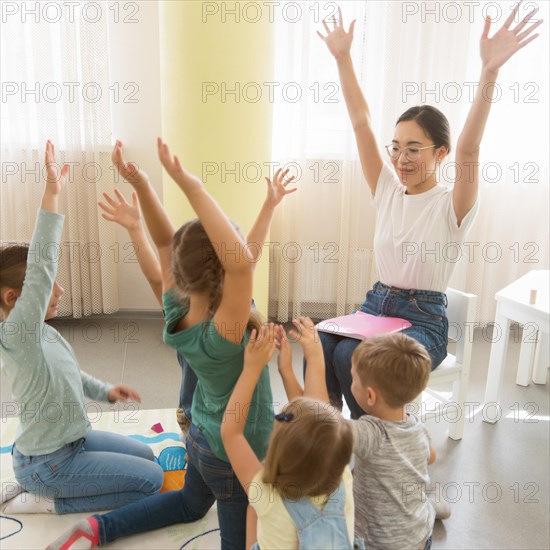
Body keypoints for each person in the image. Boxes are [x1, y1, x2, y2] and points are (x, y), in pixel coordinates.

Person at [47, 138, 296, 550]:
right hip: (232, 454)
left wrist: (143, 189)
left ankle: (100, 528)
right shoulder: (227, 331)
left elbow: (168, 245)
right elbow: (240, 261)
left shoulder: (179, 310)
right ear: (226, 268)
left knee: (188, 503)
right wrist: (187, 183)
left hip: (199, 436)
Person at [313, 2, 543, 418]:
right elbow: (362, 123)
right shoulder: (387, 189)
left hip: (424, 323)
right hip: (376, 306)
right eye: (397, 148)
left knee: (351, 356)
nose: (402, 159)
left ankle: (377, 444)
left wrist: (489, 72)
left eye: (414, 149)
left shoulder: (452, 204)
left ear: (440, 153)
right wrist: (344, 59)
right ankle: (329, 431)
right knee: (321, 342)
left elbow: (471, 147)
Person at [0, 141, 164, 515]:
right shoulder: (17, 336)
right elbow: (41, 262)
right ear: (14, 299)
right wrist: (53, 191)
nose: (59, 290)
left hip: (73, 440)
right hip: (48, 464)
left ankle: (46, 486)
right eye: (47, 286)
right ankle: (44, 502)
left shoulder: (42, 333)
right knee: (150, 482)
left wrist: (106, 391)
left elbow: (68, 372)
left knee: (146, 454)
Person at [221, 319, 363, 549]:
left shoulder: (267, 495)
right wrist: (305, 362)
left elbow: (230, 433)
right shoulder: (342, 478)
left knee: (252, 509)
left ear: (277, 448)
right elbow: (319, 424)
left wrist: (251, 369)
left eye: (282, 417)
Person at [349, 332, 448, 550]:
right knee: (413, 496)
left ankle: (433, 503)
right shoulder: (416, 426)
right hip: (421, 538)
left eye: (353, 378)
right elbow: (432, 456)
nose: (351, 382)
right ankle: (434, 505)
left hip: (376, 545)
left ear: (371, 396)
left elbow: (325, 424)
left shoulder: (369, 432)